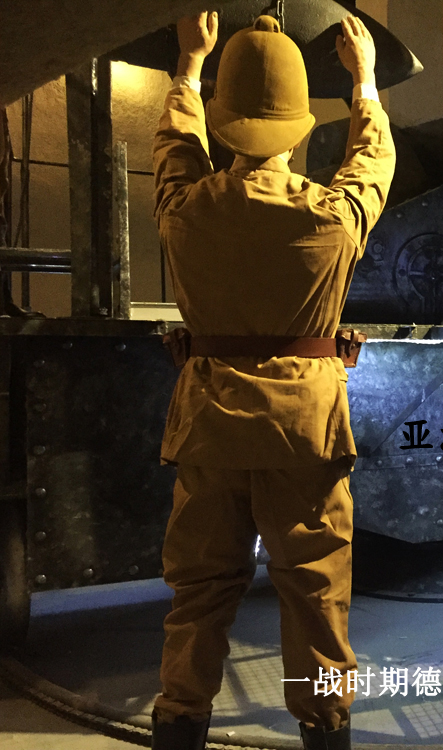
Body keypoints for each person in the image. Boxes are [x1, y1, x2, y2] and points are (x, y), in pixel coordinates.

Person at [149, 10, 394, 750]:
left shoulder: (185, 211)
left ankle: (180, 726)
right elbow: (372, 161)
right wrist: (365, 81)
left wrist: (190, 66)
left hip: (210, 424)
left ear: (223, 123)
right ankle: (324, 729)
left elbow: (174, 149)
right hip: (304, 432)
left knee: (198, 594)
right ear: (298, 127)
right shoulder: (332, 218)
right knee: (316, 594)